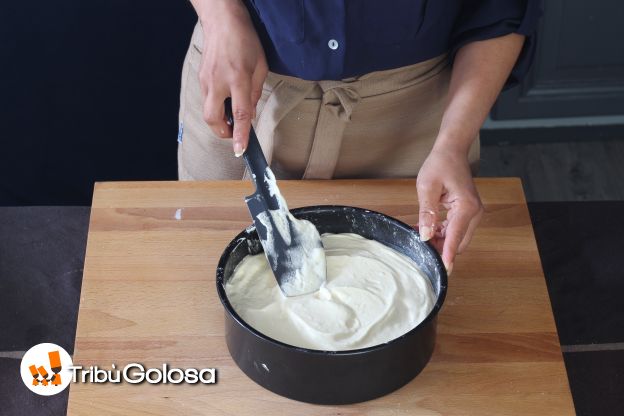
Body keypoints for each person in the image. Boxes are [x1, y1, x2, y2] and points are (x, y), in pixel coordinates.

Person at [179, 0, 542, 274]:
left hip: (418, 124)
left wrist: (453, 142)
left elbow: (500, 8)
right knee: (205, 281)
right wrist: (221, 16)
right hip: (242, 86)